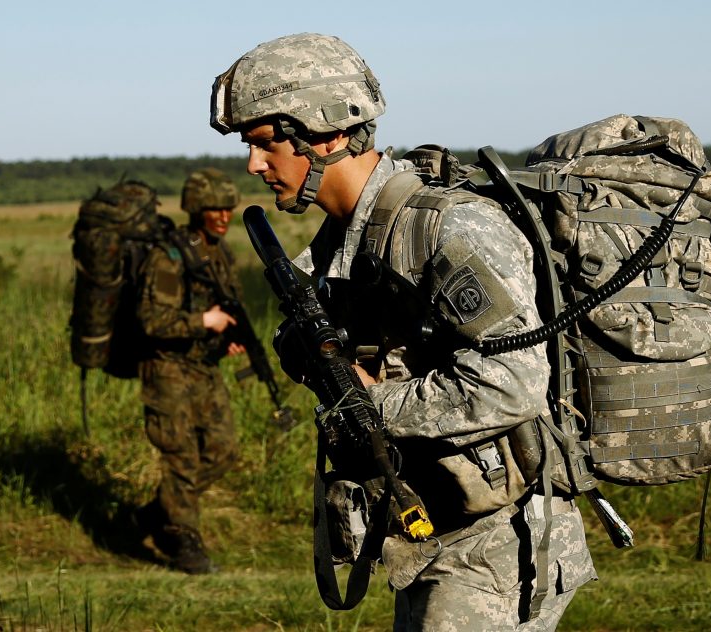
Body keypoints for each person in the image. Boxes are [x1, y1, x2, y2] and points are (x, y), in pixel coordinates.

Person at [210, 33, 597, 629]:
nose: (254, 165)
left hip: (494, 544)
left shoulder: (448, 228)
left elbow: (515, 382)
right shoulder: (345, 238)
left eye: (265, 144)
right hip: (430, 533)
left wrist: (371, 402)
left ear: (329, 133)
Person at [133, 167, 245, 575]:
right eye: (213, 208)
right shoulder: (170, 255)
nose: (222, 215)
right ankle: (183, 540)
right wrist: (203, 322)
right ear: (195, 209)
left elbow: (223, 309)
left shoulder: (219, 253)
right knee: (180, 455)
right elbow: (151, 321)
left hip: (203, 366)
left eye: (227, 207)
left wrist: (224, 336)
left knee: (223, 450)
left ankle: (153, 516)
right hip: (167, 368)